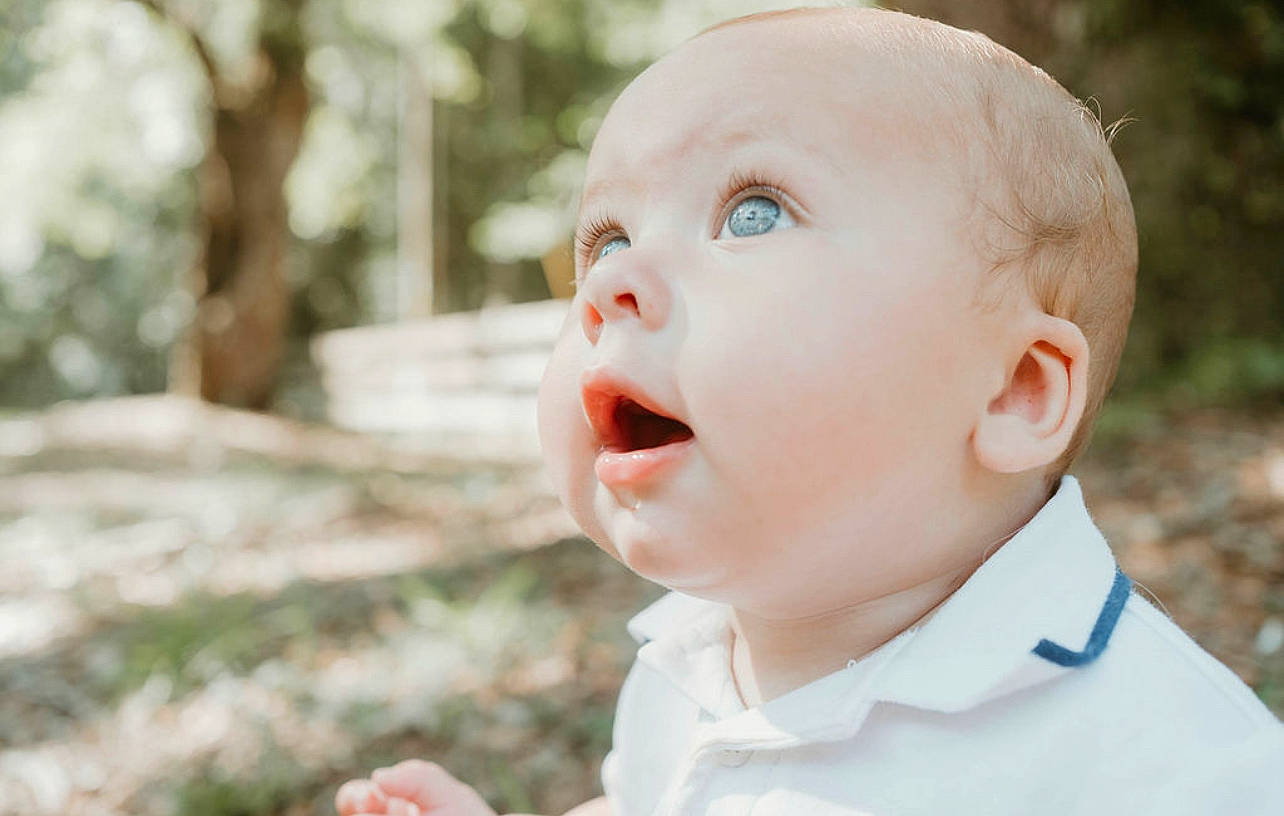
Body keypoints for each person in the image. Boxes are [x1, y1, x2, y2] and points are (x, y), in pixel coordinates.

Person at [335, 6, 1284, 815]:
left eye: (753, 213)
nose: (613, 281)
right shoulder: (685, 657)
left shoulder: (1164, 766)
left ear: (1014, 389)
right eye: (608, 236)